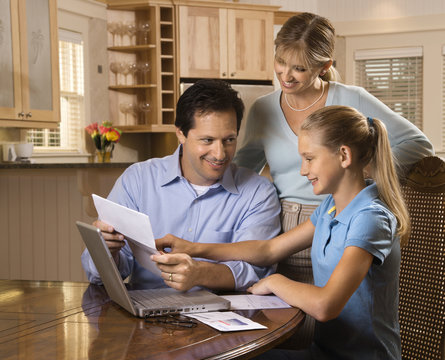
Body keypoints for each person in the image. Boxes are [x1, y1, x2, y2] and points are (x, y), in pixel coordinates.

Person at [233, 12, 433, 347]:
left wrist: (364, 173)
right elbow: (241, 173)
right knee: (289, 336)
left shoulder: (351, 99)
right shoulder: (263, 110)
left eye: (299, 67)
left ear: (324, 66)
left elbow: (418, 145)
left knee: (339, 326)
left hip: (340, 220)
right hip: (290, 229)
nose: (286, 74)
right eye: (280, 61)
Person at [155, 105, 410, 359]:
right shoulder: (330, 208)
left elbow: (325, 306)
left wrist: (275, 282)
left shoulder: (370, 218)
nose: (303, 170)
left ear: (344, 155)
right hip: (322, 353)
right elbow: (269, 250)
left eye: (309, 158)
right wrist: (192, 247)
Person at [81, 79, 281, 291]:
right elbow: (98, 275)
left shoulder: (258, 193)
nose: (220, 154)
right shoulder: (138, 180)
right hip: (146, 317)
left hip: (224, 316)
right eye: (207, 140)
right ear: (180, 134)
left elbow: (256, 272)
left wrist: (199, 273)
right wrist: (106, 249)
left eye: (229, 140)